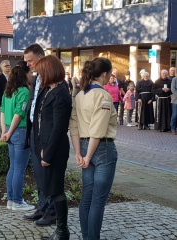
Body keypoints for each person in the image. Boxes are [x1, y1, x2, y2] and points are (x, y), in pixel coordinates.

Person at [69, 57, 117, 240]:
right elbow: (98, 130)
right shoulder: (103, 95)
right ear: (104, 74)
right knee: (97, 200)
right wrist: (87, 156)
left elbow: (73, 125)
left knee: (87, 197)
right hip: (102, 149)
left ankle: (87, 236)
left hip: (83, 146)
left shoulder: (81, 95)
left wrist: (78, 153)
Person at [33, 55, 72, 239]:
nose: (38, 76)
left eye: (41, 72)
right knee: (53, 189)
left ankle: (62, 231)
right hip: (48, 147)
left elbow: (58, 127)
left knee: (57, 190)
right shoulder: (50, 90)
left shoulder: (61, 92)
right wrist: (42, 147)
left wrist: (47, 154)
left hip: (56, 150)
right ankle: (60, 230)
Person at [23, 43, 56, 227]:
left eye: (30, 60)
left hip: (45, 133)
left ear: (40, 58)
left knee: (47, 174)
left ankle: (51, 211)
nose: (28, 64)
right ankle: (42, 207)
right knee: (38, 173)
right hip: (34, 131)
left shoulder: (51, 81)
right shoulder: (35, 79)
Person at [0, 65, 34, 211]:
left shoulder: (8, 91)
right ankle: (17, 201)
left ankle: (10, 200)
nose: (32, 74)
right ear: (24, 75)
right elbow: (19, 114)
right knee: (19, 168)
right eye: (30, 72)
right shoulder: (24, 91)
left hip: (8, 129)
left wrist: (4, 131)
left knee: (13, 167)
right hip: (19, 131)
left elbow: (2, 111)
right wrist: (11, 131)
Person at [0, 60, 11, 138]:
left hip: (10, 102)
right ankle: (1, 135)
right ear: (1, 68)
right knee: (2, 121)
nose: (8, 67)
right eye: (6, 66)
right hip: (2, 103)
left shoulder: (12, 77)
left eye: (9, 65)